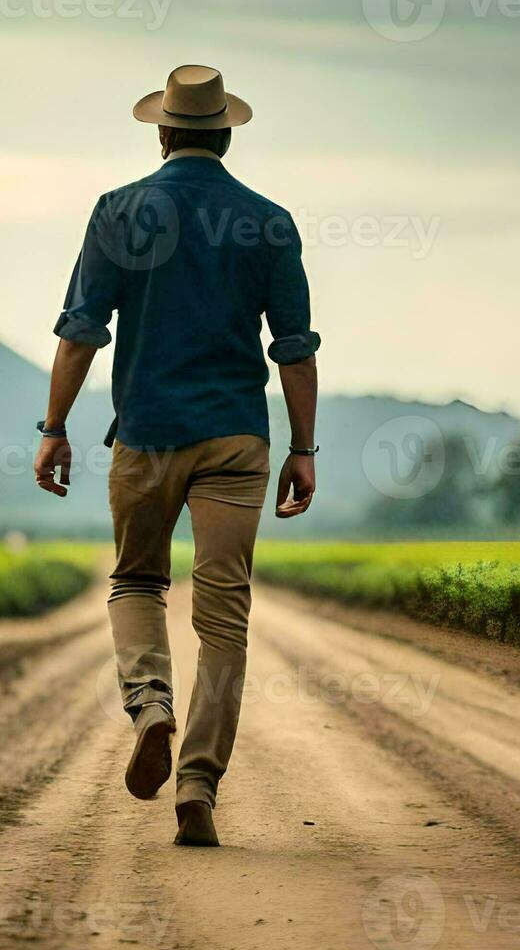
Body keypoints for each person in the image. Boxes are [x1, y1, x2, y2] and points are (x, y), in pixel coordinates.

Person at [33, 65, 320, 847]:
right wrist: (304, 448)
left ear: (162, 133)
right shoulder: (269, 221)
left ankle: (151, 703)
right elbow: (292, 349)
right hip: (236, 438)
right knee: (224, 616)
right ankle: (198, 781)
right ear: (225, 135)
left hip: (148, 435)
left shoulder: (118, 211)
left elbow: (81, 331)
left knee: (135, 580)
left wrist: (54, 427)